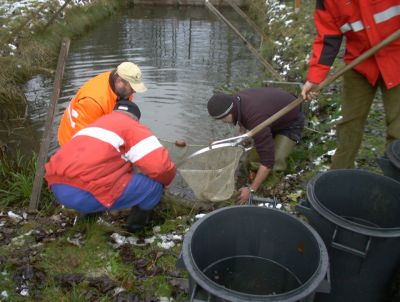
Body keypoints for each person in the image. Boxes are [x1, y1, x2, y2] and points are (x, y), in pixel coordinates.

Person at [46, 101, 176, 232]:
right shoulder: (133, 127)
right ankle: (135, 230)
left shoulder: (93, 125)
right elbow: (161, 167)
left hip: (57, 187)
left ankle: (85, 224)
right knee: (153, 186)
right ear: (136, 119)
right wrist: (166, 181)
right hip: (84, 194)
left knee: (98, 178)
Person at [301, 1, 400, 169]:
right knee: (349, 125)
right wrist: (315, 78)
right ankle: (338, 176)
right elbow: (328, 36)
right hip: (360, 63)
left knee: (398, 127)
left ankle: (393, 178)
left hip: (396, 58)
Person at [207, 87, 304, 204]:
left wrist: (251, 189)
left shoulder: (256, 120)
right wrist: (242, 133)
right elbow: (241, 116)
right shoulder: (237, 100)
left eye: (223, 118)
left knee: (275, 160)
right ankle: (256, 175)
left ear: (230, 112)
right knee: (254, 158)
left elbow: (268, 161)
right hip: (271, 114)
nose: (223, 122)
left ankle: (267, 187)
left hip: (290, 120)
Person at [58, 61, 147, 146]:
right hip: (72, 143)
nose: (134, 91)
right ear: (119, 81)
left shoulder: (121, 89)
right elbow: (83, 141)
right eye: (132, 87)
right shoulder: (92, 102)